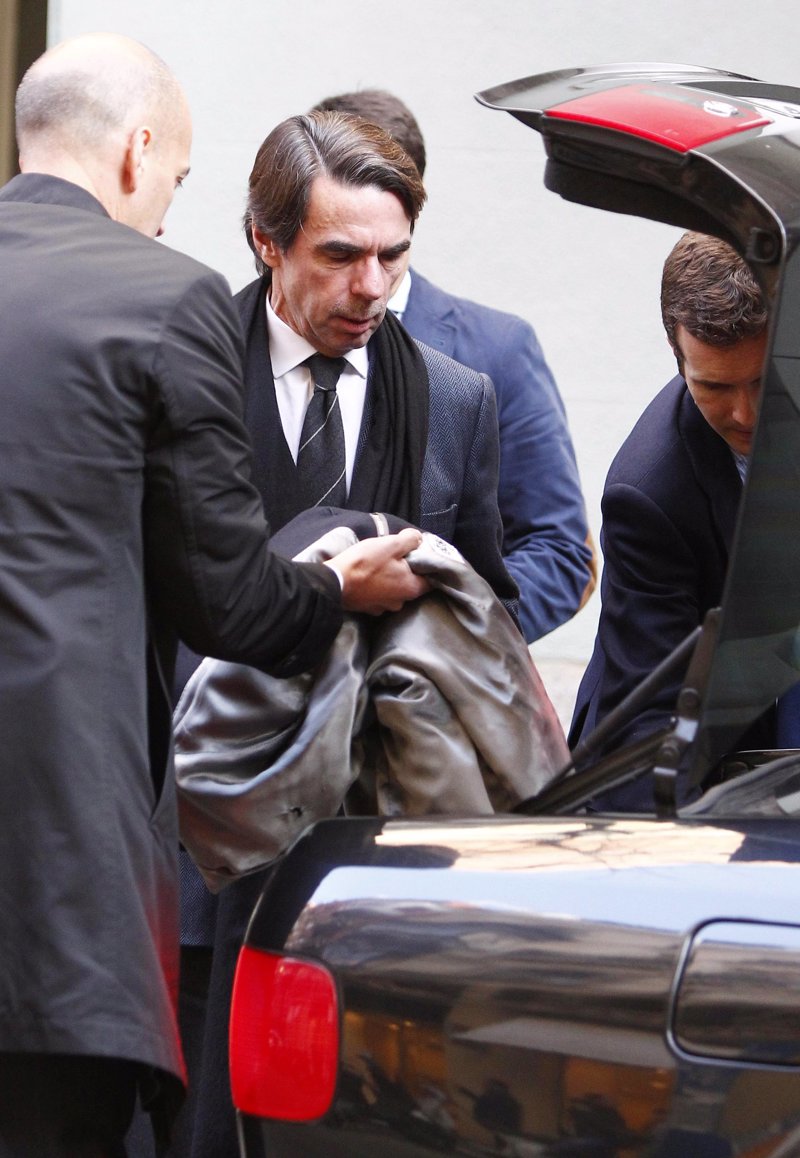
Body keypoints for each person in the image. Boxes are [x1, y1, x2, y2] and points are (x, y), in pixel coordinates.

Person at [0, 33, 427, 1157]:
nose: (161, 212)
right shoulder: (162, 298)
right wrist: (333, 585)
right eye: (178, 179)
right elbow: (232, 604)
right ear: (137, 151)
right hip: (54, 865)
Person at [173, 107, 522, 1158]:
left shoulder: (455, 400)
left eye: (392, 256)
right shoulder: (179, 376)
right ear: (265, 242)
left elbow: (483, 613)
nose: (372, 287)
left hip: (367, 865)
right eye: (339, 257)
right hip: (189, 837)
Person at [311, 87, 597, 643]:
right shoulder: (237, 341)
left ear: (409, 204)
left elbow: (561, 552)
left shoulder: (498, 349)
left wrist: (442, 637)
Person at [569, 231, 769, 806]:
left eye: (763, 382)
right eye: (715, 387)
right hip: (696, 756)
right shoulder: (648, 492)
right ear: (677, 358)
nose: (746, 414)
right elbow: (651, 714)